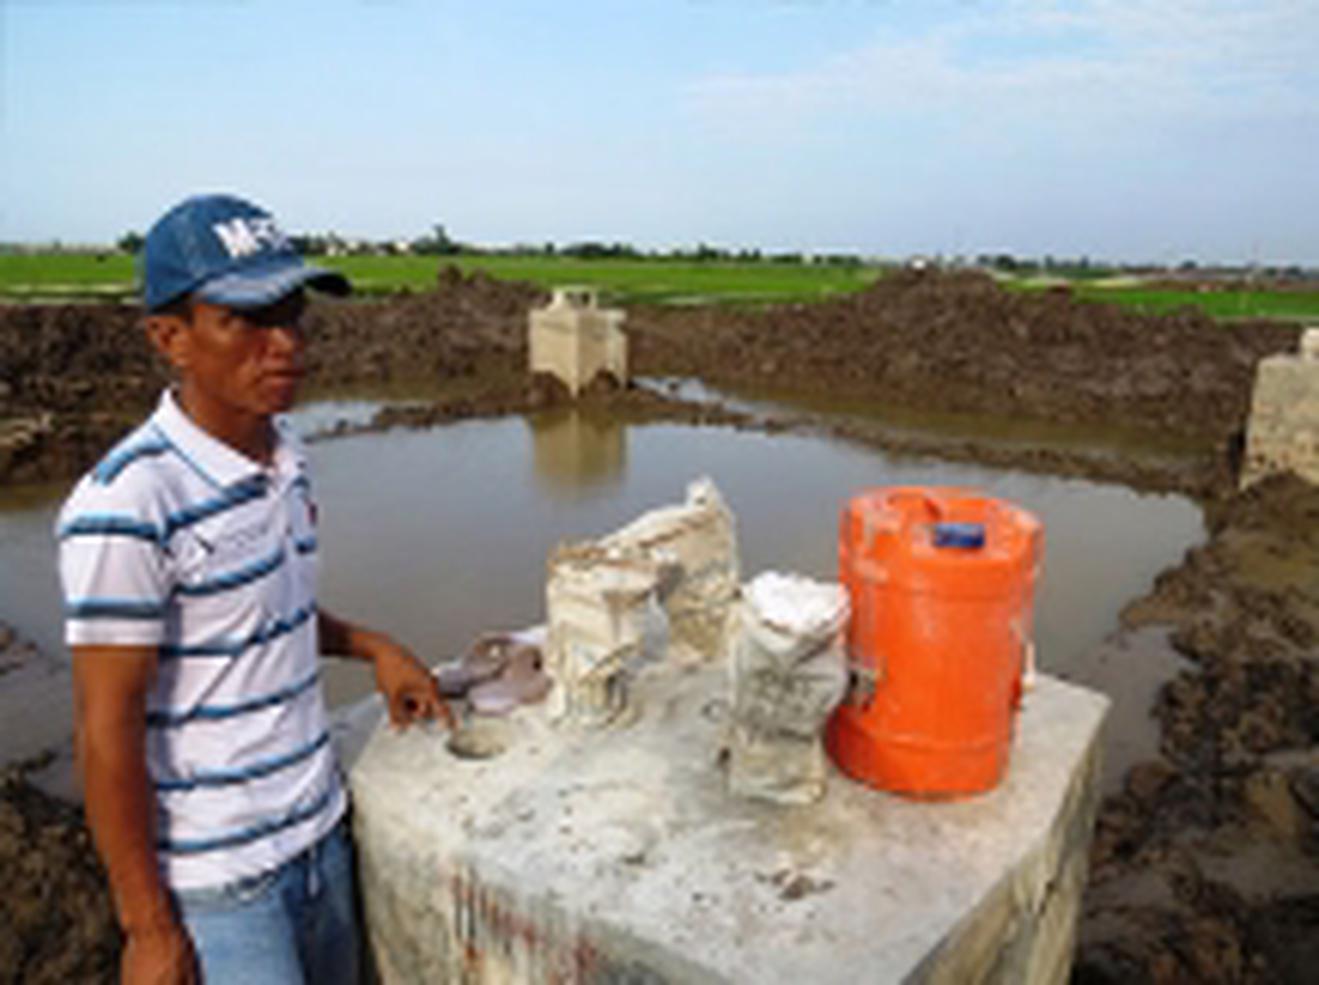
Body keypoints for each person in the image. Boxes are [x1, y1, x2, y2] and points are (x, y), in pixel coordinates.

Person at [57, 193, 448, 984]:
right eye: (245, 319)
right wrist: (147, 926)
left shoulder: (286, 453)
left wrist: (371, 645)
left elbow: (265, 612)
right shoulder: (127, 504)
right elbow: (105, 728)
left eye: (293, 315)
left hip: (320, 832)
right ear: (169, 338)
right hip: (225, 887)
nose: (286, 343)